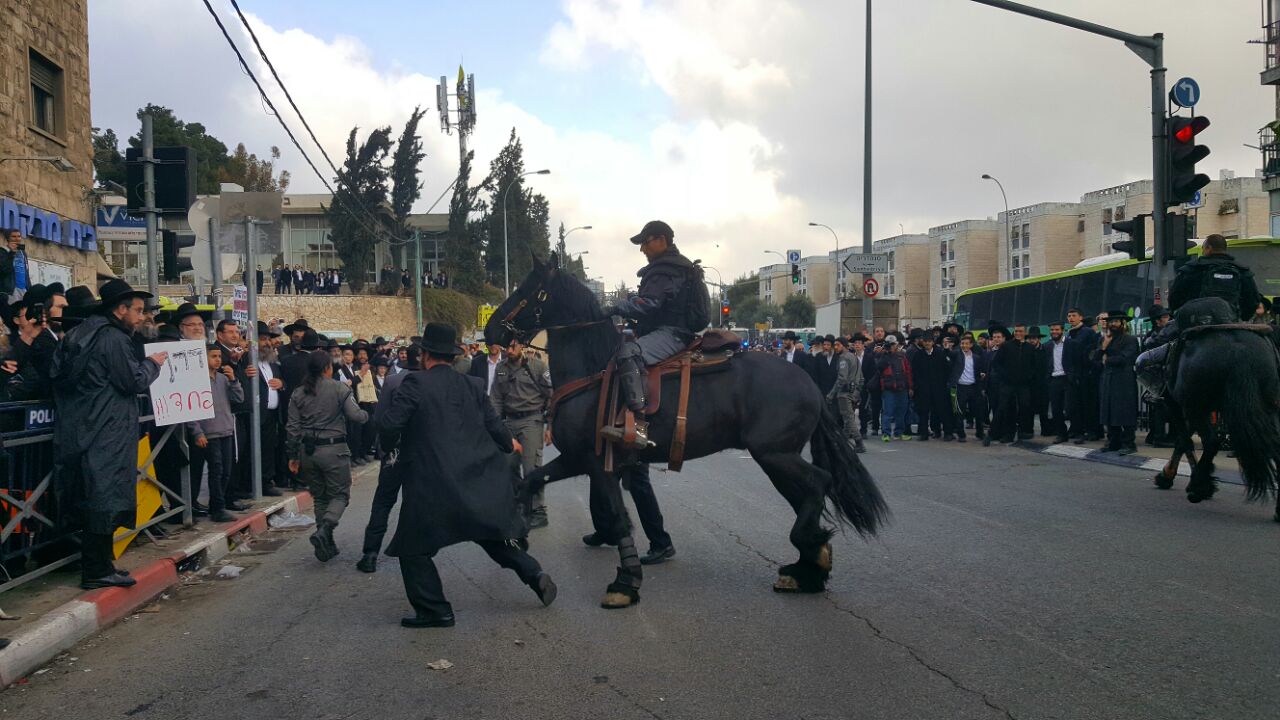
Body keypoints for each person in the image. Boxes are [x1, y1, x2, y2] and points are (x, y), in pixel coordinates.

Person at [378, 323, 557, 628]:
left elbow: (390, 425)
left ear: (424, 355)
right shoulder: (473, 385)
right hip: (475, 479)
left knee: (412, 547)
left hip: (431, 484)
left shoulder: (415, 384)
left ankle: (436, 610)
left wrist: (392, 448)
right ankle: (534, 574)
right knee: (491, 535)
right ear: (452, 355)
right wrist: (508, 446)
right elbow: (498, 429)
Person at [51, 279, 167, 589]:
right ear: (120, 309)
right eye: (138, 311)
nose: (143, 317)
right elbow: (132, 381)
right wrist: (152, 365)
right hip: (107, 428)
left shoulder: (81, 332)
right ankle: (96, 569)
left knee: (95, 495)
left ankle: (101, 564)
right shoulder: (113, 339)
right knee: (105, 496)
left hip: (83, 425)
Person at [601, 220, 708, 447]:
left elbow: (649, 304)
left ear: (661, 240)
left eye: (645, 243)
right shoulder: (671, 267)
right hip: (665, 330)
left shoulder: (667, 269)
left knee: (628, 352)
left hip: (672, 333)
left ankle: (639, 423)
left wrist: (617, 306)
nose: (642, 249)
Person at [286, 350, 369, 562]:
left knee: (320, 497)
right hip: (334, 450)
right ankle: (325, 530)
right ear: (327, 368)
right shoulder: (339, 388)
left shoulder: (298, 392)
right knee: (340, 495)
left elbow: (292, 428)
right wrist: (366, 413)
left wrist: (293, 455)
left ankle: (326, 543)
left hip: (308, 452)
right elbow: (355, 415)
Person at [358, 345, 422, 573]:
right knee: (417, 504)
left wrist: (384, 451)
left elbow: (381, 418)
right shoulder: (431, 384)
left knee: (383, 503)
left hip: (395, 451)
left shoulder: (393, 382)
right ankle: (416, 552)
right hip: (422, 454)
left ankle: (370, 553)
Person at [491, 337, 553, 528]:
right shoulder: (501, 368)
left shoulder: (538, 367)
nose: (509, 350)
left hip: (531, 421)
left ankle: (538, 510)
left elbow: (551, 396)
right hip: (509, 421)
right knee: (509, 466)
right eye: (506, 347)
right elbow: (496, 399)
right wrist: (495, 427)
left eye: (512, 346)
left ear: (522, 346)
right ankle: (517, 506)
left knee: (531, 467)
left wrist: (550, 426)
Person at [190, 345, 245, 522]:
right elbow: (190, 408)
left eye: (219, 356)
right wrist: (197, 432)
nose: (217, 360)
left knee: (226, 471)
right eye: (213, 356)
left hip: (226, 430)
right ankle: (217, 508)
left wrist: (234, 380)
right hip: (209, 433)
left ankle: (217, 504)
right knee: (216, 470)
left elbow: (239, 399)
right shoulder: (196, 380)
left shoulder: (223, 378)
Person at [582, 462, 676, 564]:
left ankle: (661, 543)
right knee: (601, 479)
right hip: (616, 448)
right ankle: (606, 532)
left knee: (638, 484)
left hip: (631, 448)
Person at [1095, 310, 1140, 455]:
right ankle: (1113, 442)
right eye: (1111, 321)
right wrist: (1104, 347)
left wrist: (1107, 359)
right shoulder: (1104, 339)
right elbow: (1095, 357)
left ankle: (1129, 444)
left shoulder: (1130, 339)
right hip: (1107, 379)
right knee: (1109, 411)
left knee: (1125, 412)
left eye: (1116, 321)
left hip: (1124, 380)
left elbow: (1125, 358)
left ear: (1122, 323)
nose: (1113, 324)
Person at [255, 322, 286, 495]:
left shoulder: (273, 364)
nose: (267, 343)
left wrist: (282, 383)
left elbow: (283, 381)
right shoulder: (249, 361)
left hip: (272, 414)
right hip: (257, 415)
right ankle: (254, 483)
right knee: (254, 450)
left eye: (268, 339)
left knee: (269, 448)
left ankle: (267, 481)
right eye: (262, 339)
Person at [1063, 309, 1101, 444]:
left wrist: (1088, 370)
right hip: (1073, 375)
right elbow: (1066, 355)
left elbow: (1091, 353)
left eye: (1074, 316)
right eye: (1069, 316)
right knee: (1074, 405)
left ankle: (1091, 431)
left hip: (1085, 374)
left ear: (1081, 317)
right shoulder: (1068, 334)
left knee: (1088, 404)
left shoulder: (1087, 332)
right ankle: (1077, 430)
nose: (1071, 318)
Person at [1141, 306, 1174, 448]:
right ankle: (1159, 437)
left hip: (1159, 377)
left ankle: (1155, 435)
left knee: (1161, 407)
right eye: (1166, 317)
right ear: (1158, 321)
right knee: (1161, 407)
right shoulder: (1157, 336)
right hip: (1161, 378)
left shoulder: (1152, 335)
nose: (1169, 320)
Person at [909, 333, 950, 441]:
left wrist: (945, 385)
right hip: (923, 389)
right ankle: (924, 433)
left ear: (933, 342)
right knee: (923, 412)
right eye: (925, 341)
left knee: (941, 411)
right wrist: (915, 386)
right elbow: (914, 372)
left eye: (929, 341)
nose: (927, 343)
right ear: (922, 342)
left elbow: (946, 370)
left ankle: (946, 433)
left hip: (939, 388)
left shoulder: (940, 354)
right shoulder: (918, 355)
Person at [828, 336, 866, 452]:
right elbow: (861, 378)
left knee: (848, 418)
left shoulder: (843, 358)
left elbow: (842, 379)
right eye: (835, 345)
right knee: (847, 418)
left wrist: (831, 393)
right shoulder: (854, 357)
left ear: (844, 345)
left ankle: (859, 443)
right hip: (853, 392)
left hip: (844, 392)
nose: (835, 347)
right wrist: (857, 392)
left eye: (838, 345)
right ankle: (843, 443)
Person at [877, 334, 911, 441]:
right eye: (889, 344)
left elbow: (908, 372)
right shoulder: (883, 356)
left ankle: (899, 433)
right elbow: (879, 367)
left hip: (902, 388)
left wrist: (910, 387)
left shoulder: (902, 356)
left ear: (896, 344)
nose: (891, 346)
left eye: (893, 344)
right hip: (888, 389)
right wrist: (884, 353)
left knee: (901, 411)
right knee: (887, 411)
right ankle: (886, 433)